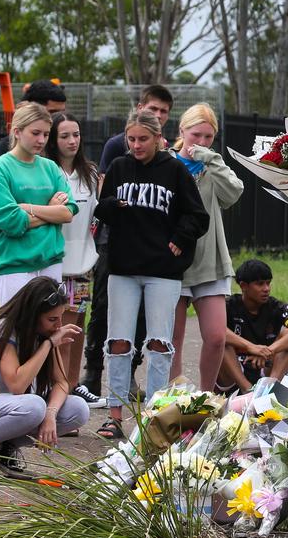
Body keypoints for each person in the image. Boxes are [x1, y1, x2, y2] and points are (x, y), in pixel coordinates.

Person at [94, 110, 209, 439]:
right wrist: (112, 205)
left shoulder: (173, 169)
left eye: (143, 139)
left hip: (161, 270)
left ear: (159, 138)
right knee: (118, 341)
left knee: (159, 342)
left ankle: (154, 415)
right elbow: (104, 208)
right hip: (124, 267)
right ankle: (114, 414)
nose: (136, 145)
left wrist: (179, 239)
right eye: (131, 139)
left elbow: (197, 216)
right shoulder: (119, 167)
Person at [0, 277, 89, 478]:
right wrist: (48, 345)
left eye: (61, 318)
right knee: (34, 405)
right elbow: (17, 384)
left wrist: (51, 415)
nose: (59, 326)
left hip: (0, 408)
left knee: (78, 409)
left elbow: (62, 382)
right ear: (32, 315)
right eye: (52, 320)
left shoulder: (43, 332)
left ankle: (2, 449)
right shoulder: (2, 326)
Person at [82, 85, 175, 398]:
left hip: (151, 247)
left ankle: (131, 374)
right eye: (153, 109)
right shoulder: (116, 146)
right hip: (115, 239)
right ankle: (93, 373)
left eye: (163, 112)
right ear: (140, 107)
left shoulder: (168, 156)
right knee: (103, 306)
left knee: (141, 316)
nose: (157, 115)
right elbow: (105, 192)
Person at [168, 103, 244, 391]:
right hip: (173, 260)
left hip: (210, 260)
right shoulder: (168, 164)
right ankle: (172, 399)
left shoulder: (213, 166)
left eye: (208, 137)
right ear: (182, 131)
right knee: (172, 339)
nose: (200, 143)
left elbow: (233, 193)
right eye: (195, 135)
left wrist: (213, 160)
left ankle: (206, 397)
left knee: (215, 337)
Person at [0, 103, 79, 305]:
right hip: (13, 263)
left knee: (49, 330)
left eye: (46, 134)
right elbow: (11, 221)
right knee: (17, 330)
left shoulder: (50, 167)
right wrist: (51, 211)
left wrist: (29, 208)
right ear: (17, 131)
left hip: (50, 261)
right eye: (35, 133)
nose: (41, 140)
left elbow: (68, 213)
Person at [43, 112, 105, 411]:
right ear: (53, 140)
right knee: (60, 332)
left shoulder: (89, 174)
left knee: (77, 328)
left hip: (82, 266)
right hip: (55, 265)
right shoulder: (47, 172)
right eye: (65, 135)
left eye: (76, 135)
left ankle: (71, 387)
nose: (72, 141)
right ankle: (59, 394)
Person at [216, 259, 288, 394]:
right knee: (220, 341)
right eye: (260, 284)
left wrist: (267, 351)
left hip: (267, 368)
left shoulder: (276, 307)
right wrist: (252, 347)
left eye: (268, 283)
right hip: (233, 375)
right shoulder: (228, 305)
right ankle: (248, 391)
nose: (266, 289)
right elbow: (216, 331)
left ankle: (269, 390)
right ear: (243, 286)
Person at [0, 80, 67, 158]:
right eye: (52, 112)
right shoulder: (7, 148)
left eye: (62, 112)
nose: (60, 118)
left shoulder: (67, 141)